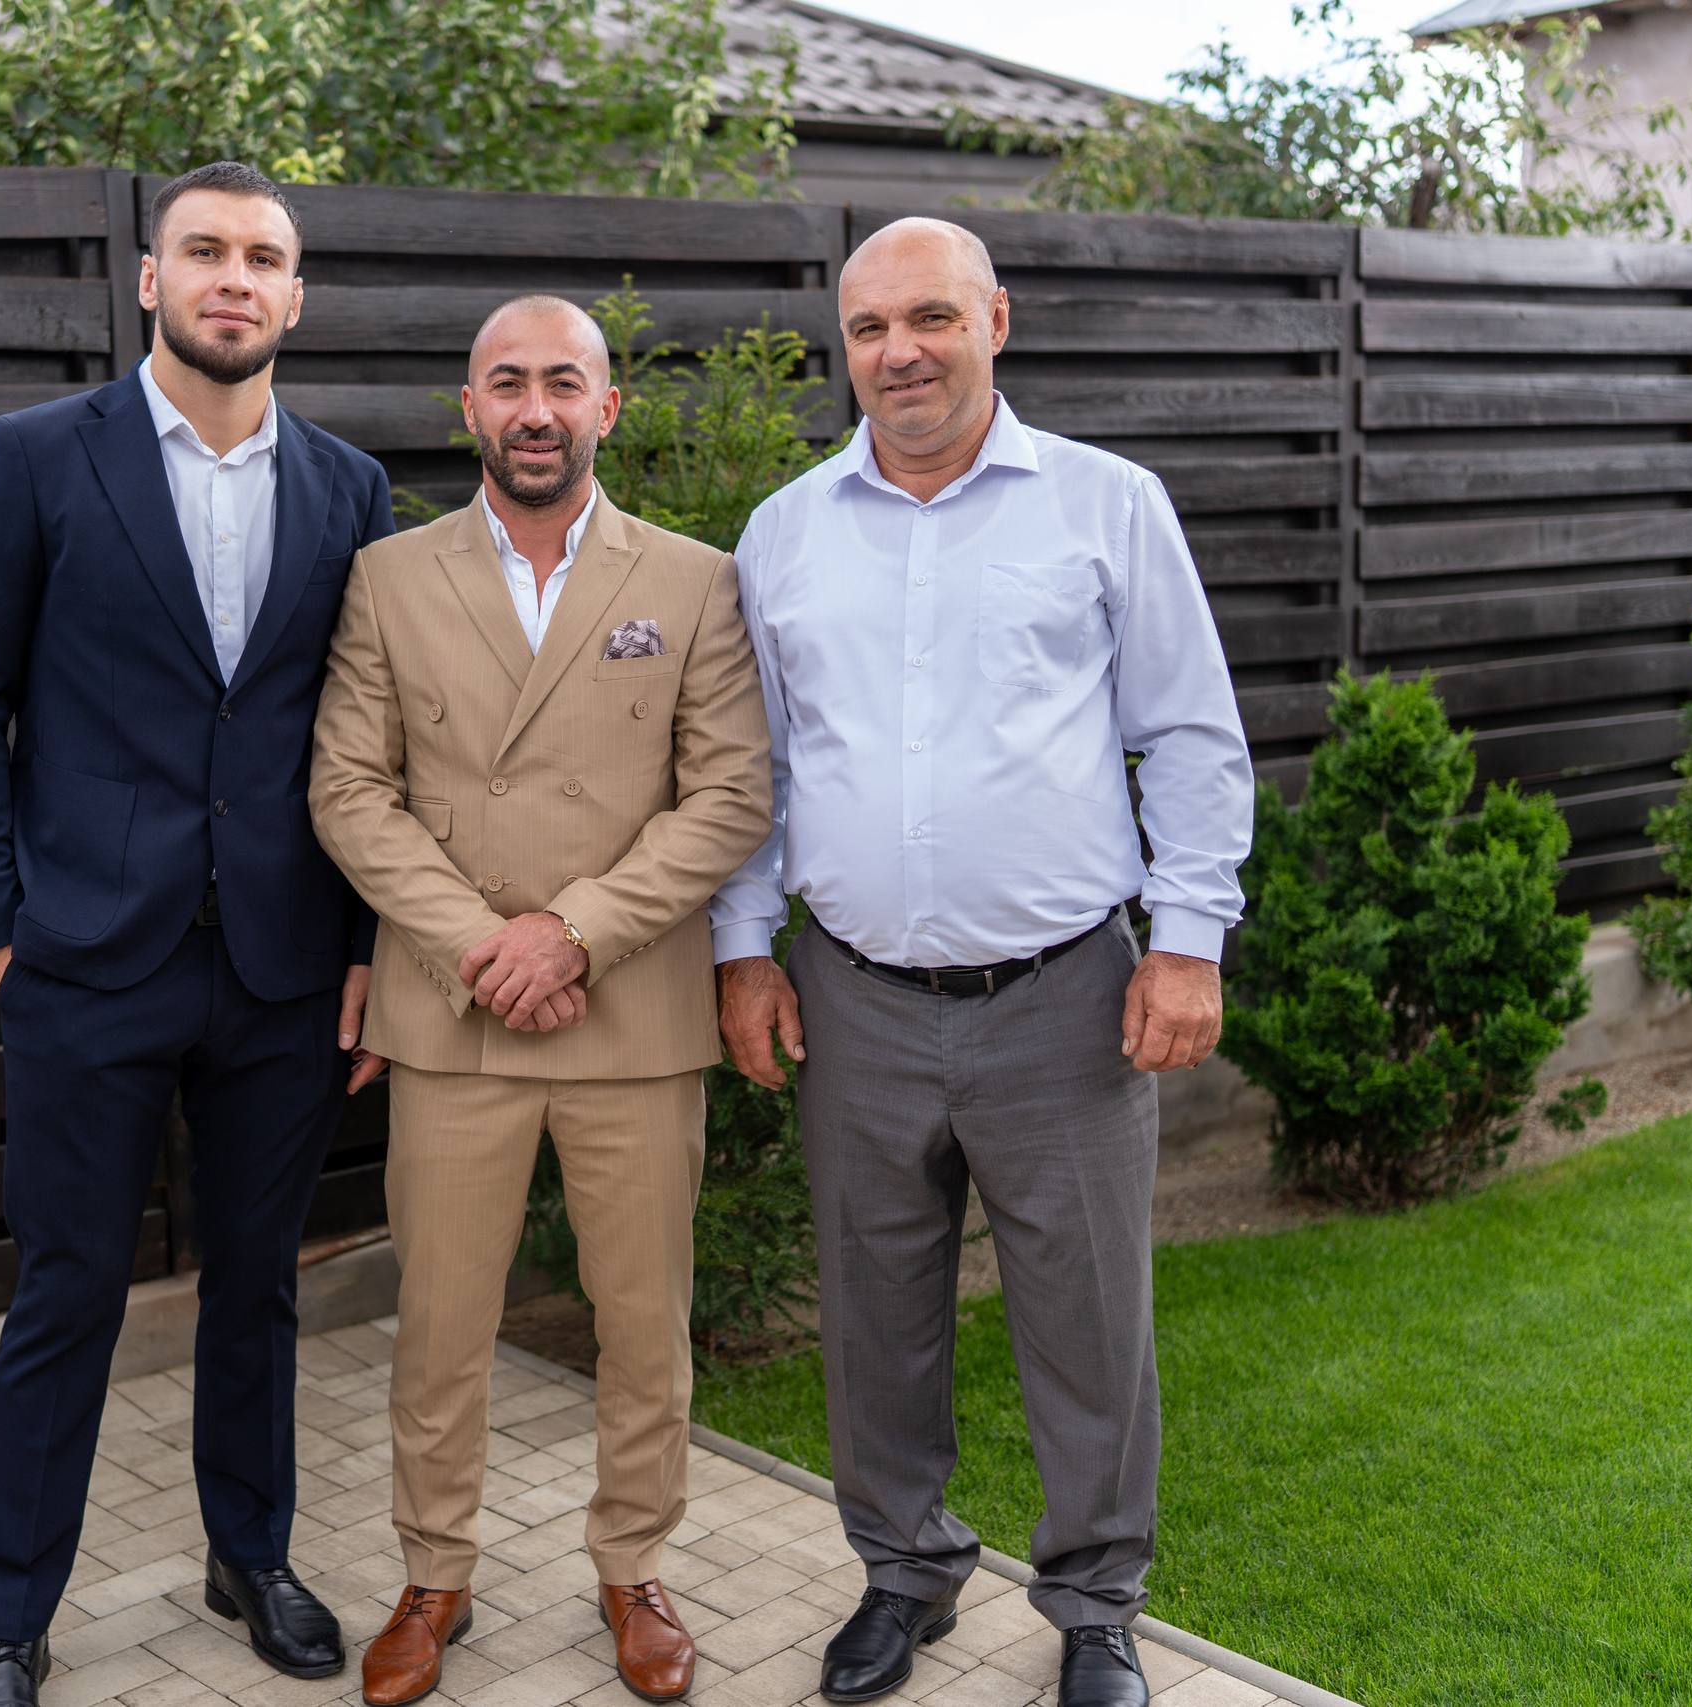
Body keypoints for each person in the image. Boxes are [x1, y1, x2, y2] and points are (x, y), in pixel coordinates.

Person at [709, 218, 1253, 1707]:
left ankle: (1094, 1610)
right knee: (873, 1317)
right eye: (872, 327)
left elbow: (1190, 733)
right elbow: (755, 766)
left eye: (932, 317)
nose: (901, 353)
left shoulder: (1105, 506)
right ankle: (903, 1572)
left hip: (1064, 1000)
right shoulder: (786, 532)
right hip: (856, 998)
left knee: (1087, 1324)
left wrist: (1190, 939)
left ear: (995, 321)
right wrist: (745, 951)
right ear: (846, 345)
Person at [0, 161, 395, 1707]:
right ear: (149, 278)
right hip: (82, 961)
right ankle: (11, 1618)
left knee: (258, 1282)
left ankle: (247, 1555)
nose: (234, 279)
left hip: (282, 966)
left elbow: (369, 741)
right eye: (206, 252)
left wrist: (373, 948)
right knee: (67, 1292)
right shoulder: (36, 457)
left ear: (297, 295)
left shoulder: (348, 488)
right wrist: (0, 929)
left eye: (264, 257)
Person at [310, 295, 773, 1707]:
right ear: (469, 410)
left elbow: (732, 795)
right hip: (455, 1013)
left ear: (606, 408)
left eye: (562, 383)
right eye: (505, 383)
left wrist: (569, 933)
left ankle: (633, 1567)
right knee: (443, 1323)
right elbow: (348, 790)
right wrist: (480, 946)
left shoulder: (692, 580)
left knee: (645, 1323)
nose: (534, 408)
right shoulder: (388, 577)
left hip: (627, 1010)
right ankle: (433, 1575)